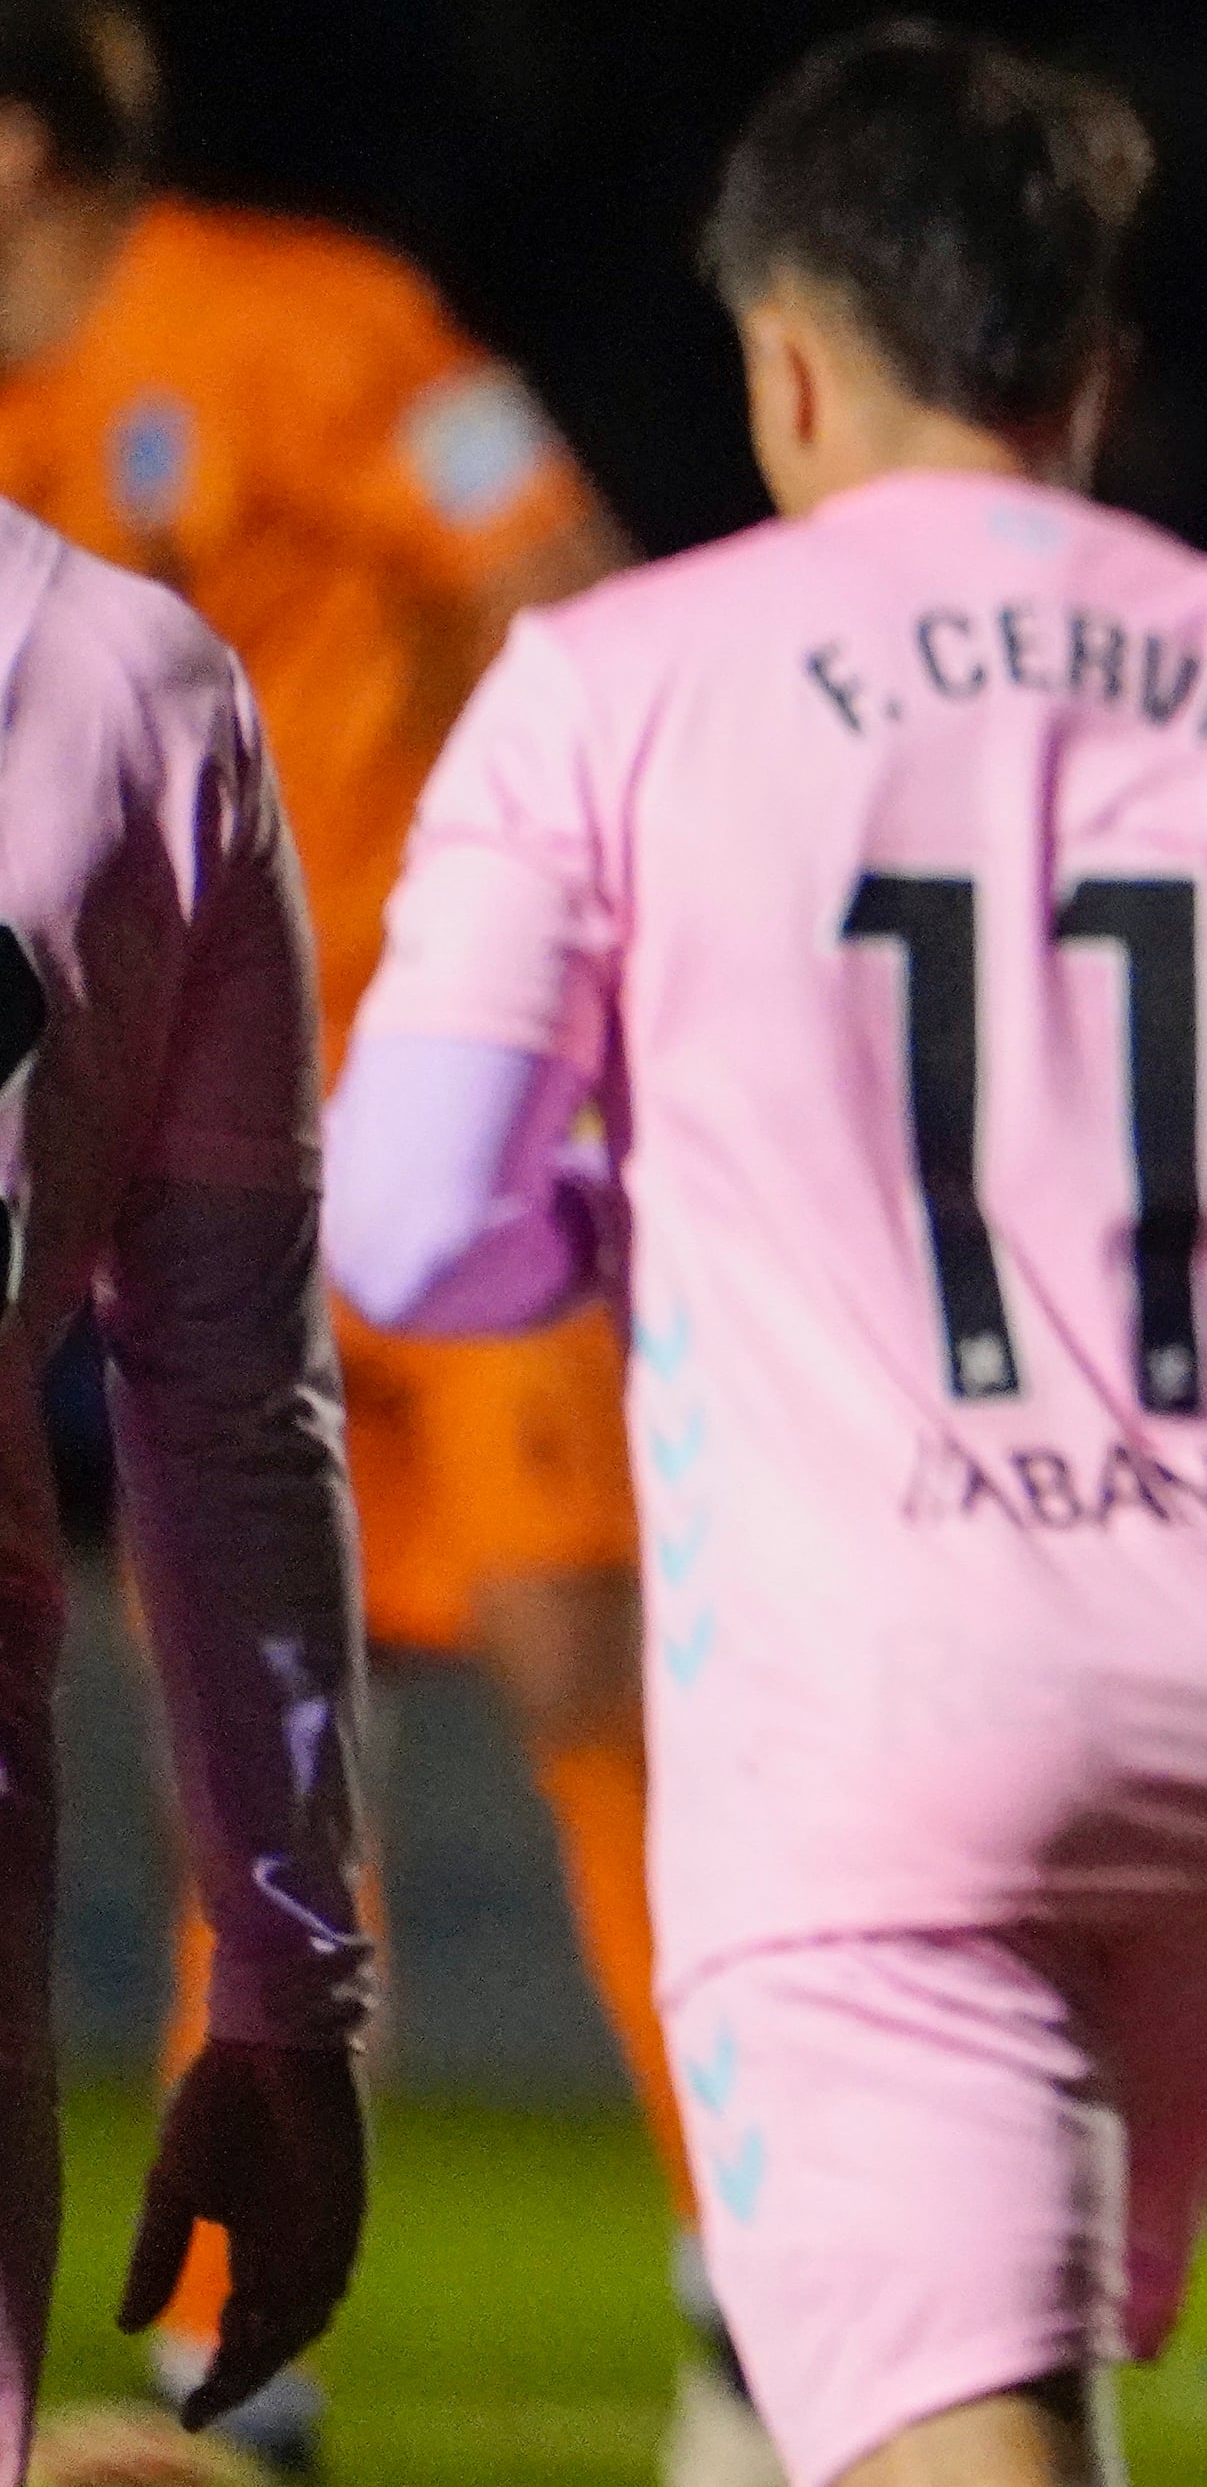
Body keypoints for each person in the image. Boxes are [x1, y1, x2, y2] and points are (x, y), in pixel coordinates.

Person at [318, 22, 1207, 2487]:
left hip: (868, 1724)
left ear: (779, 356)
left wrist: (628, 1209)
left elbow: (415, 1225)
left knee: (959, 2442)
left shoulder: (608, 687)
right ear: (1096, 362)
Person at [0, 0, 708, 2473]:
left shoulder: (307, 322)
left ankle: (762, 2265)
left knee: (582, 1660)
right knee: (252, 1713)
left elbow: (575, 583)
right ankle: (245, 2354)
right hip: (204, 1146)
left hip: (446, 1093)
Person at [0, 494, 374, 2480]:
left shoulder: (148, 693)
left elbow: (227, 1406)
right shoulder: (135, 688)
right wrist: (284, 1985)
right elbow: (227, 1405)